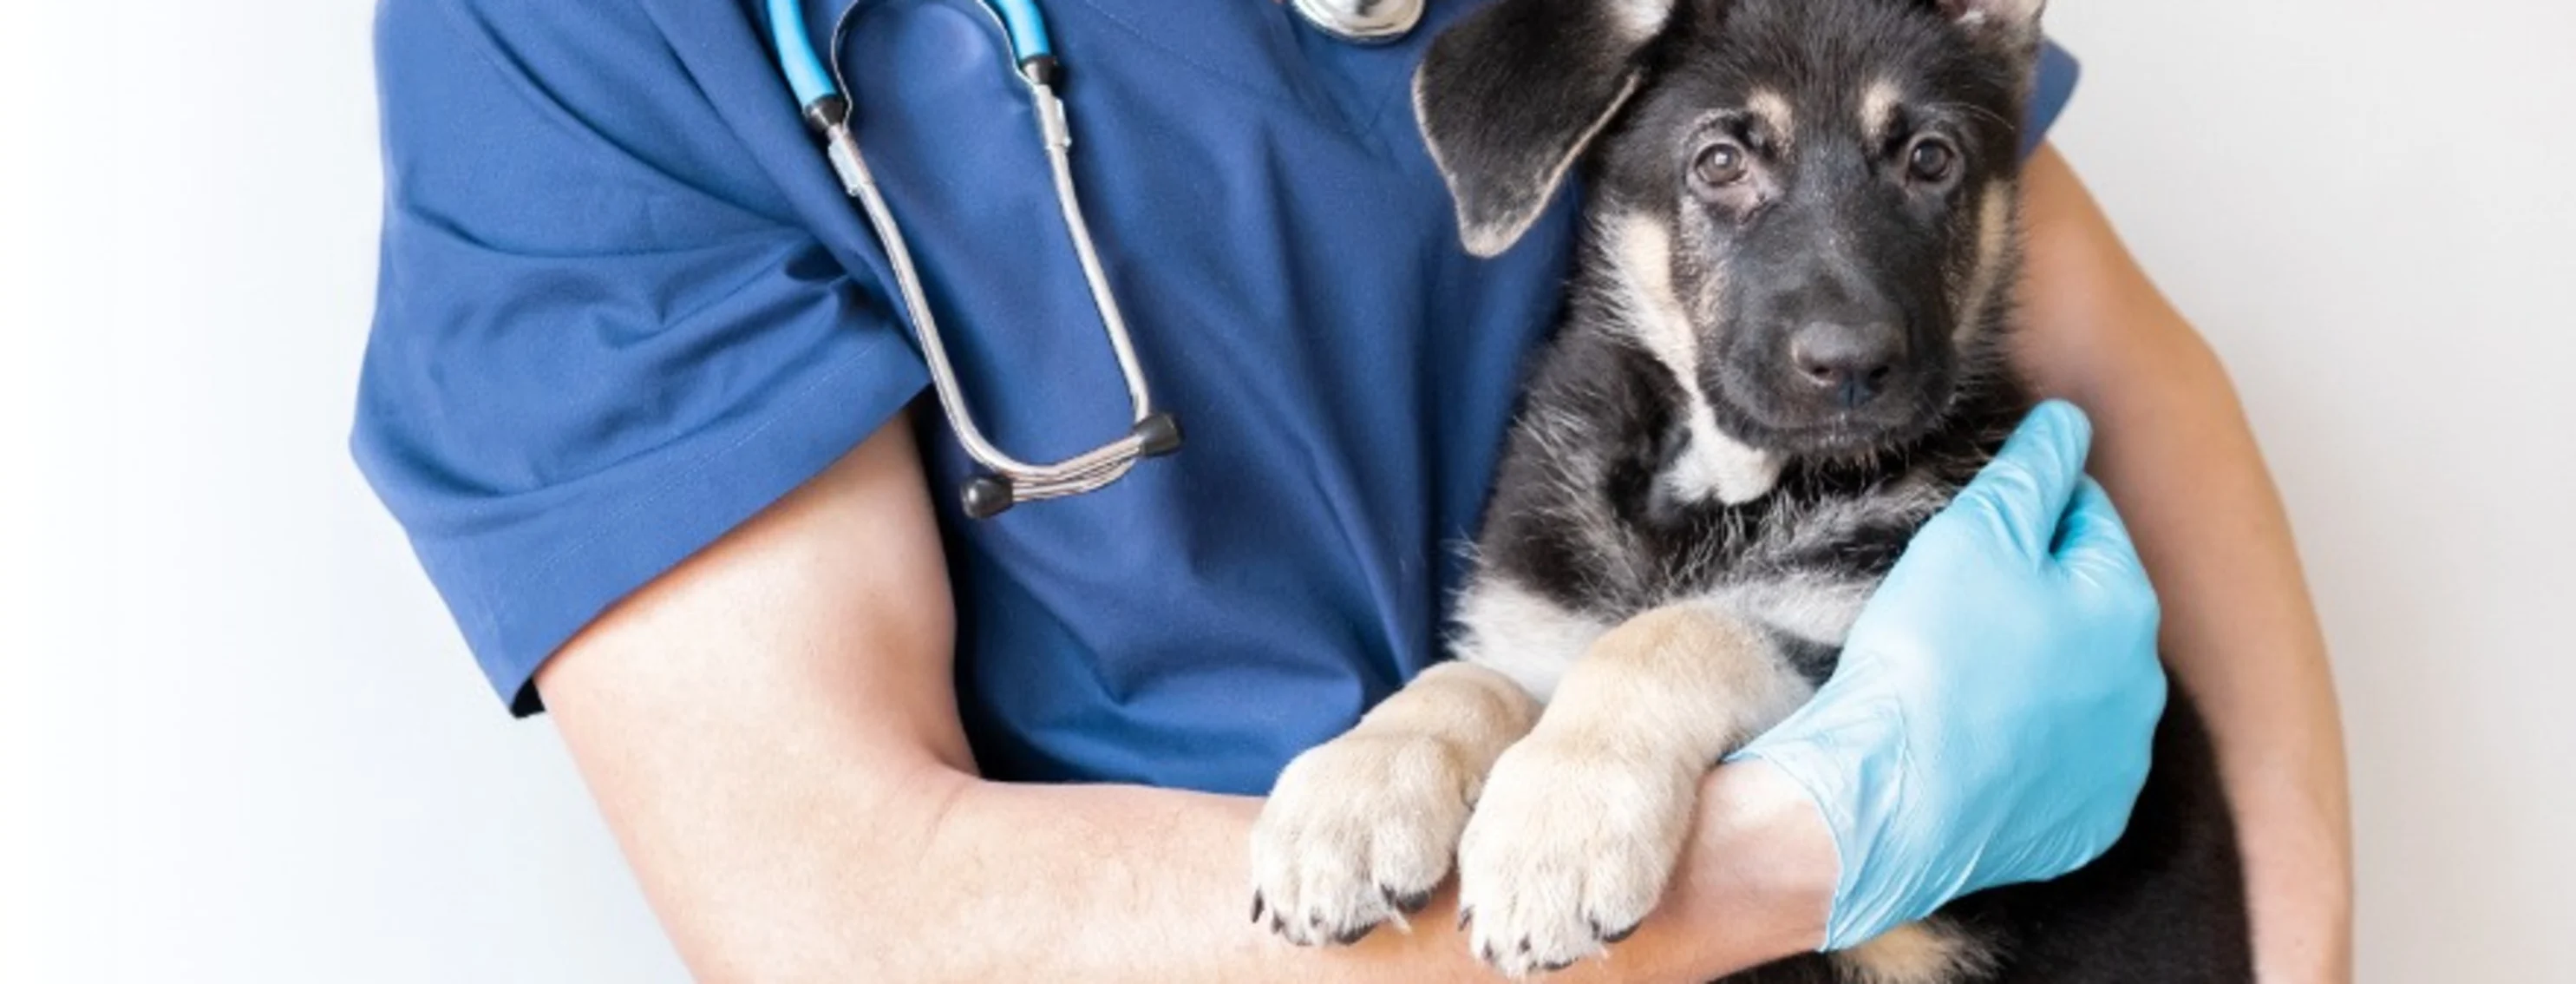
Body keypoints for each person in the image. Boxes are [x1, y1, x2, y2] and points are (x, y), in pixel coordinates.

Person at [353, 1, 2350, 981]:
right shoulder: (573, 40)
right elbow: (832, 899)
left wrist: (2296, 952)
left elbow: (2116, 377)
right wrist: (1780, 850)